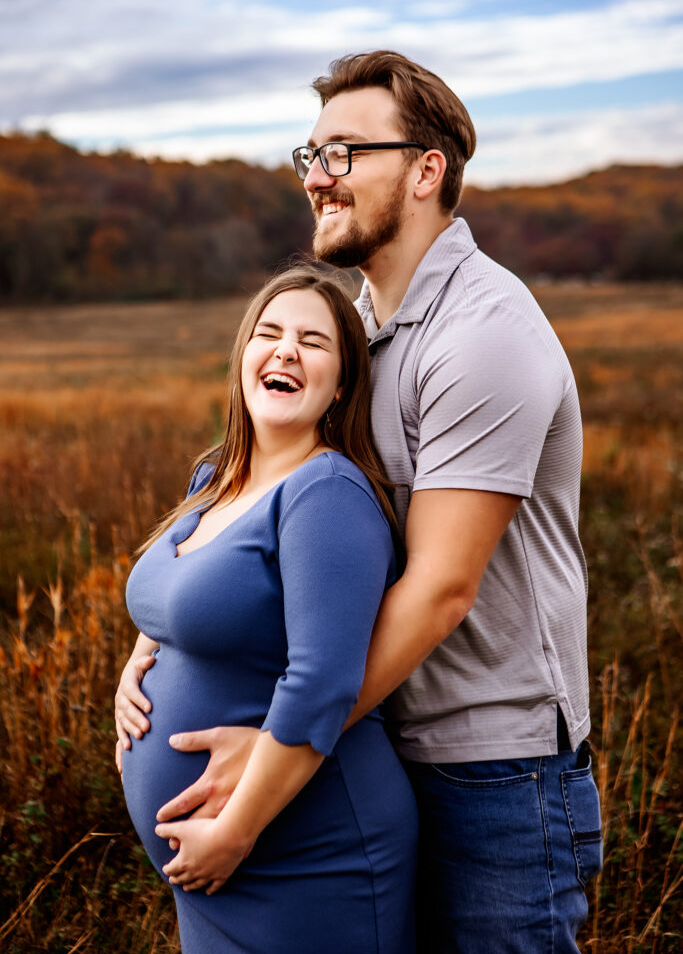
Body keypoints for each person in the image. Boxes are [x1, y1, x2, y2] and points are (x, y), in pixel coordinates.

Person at [116, 51, 603, 953]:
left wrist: (271, 754)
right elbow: (267, 506)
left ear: (427, 171)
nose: (315, 177)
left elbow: (439, 590)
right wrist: (160, 636)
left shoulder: (481, 333)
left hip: (489, 768)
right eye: (309, 154)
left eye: (343, 153)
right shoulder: (364, 332)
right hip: (371, 747)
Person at [116, 267, 418, 954]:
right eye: (269, 333)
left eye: (312, 342)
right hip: (217, 867)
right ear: (244, 358)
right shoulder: (215, 474)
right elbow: (181, 592)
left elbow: (322, 680)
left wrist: (235, 832)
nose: (285, 350)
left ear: (340, 384)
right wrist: (137, 667)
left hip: (304, 852)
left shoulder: (327, 493)